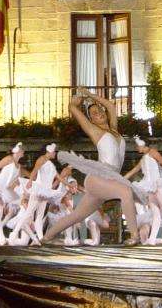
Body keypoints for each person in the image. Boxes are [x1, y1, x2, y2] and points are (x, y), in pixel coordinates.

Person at [43, 88, 140, 245]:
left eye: (99, 110)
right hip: (98, 178)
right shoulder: (95, 131)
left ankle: (46, 237)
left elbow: (109, 105)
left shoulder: (114, 129)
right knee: (126, 192)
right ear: (92, 121)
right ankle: (135, 236)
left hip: (109, 179)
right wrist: (74, 103)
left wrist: (89, 95)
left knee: (78, 215)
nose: (99, 113)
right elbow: (73, 109)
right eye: (94, 113)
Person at [124, 136, 162, 244]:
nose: (136, 147)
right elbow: (133, 171)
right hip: (149, 187)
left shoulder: (153, 152)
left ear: (142, 144)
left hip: (158, 184)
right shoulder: (143, 159)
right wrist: (120, 179)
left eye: (137, 145)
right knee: (155, 214)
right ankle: (152, 239)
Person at [10, 143, 65, 244]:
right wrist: (30, 181)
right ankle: (14, 233)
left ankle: (40, 239)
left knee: (39, 216)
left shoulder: (51, 164)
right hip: (39, 189)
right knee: (29, 213)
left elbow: (58, 176)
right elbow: (35, 170)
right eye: (54, 151)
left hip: (45, 192)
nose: (55, 153)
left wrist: (69, 186)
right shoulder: (42, 159)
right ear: (49, 151)